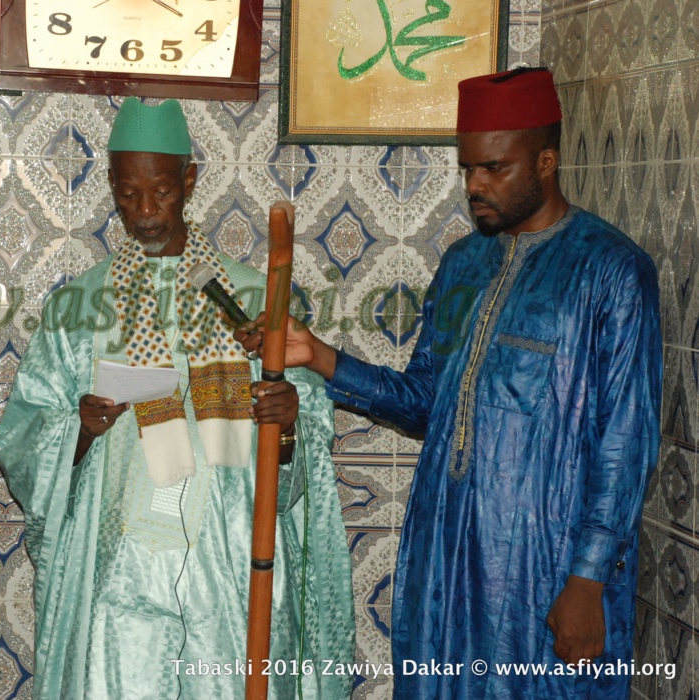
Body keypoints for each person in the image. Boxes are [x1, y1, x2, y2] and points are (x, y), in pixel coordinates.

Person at [238, 67, 660, 699]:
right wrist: (322, 357)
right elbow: (426, 403)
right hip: (448, 550)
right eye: (468, 169)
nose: (475, 186)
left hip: (544, 563)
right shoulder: (463, 264)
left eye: (495, 168)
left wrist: (588, 580)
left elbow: (626, 442)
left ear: (546, 161)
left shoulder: (613, 272)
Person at [0, 98, 354, 699]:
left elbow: (308, 439)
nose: (144, 211)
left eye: (159, 191)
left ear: (189, 181)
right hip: (121, 568)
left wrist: (286, 422)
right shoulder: (78, 308)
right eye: (128, 193)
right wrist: (79, 430)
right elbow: (26, 436)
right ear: (110, 185)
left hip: (235, 563)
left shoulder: (255, 301)